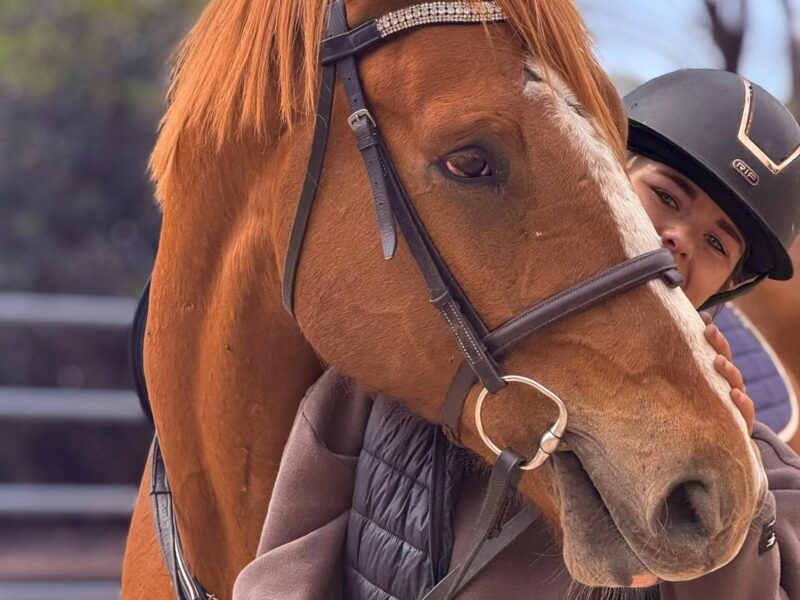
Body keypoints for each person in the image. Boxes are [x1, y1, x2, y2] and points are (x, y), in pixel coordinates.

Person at [234, 70, 800, 599]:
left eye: (717, 244)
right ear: (603, 172)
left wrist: (735, 485)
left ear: (730, 283)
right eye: (667, 197)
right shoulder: (409, 351)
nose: (679, 238)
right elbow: (292, 554)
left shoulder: (774, 479)